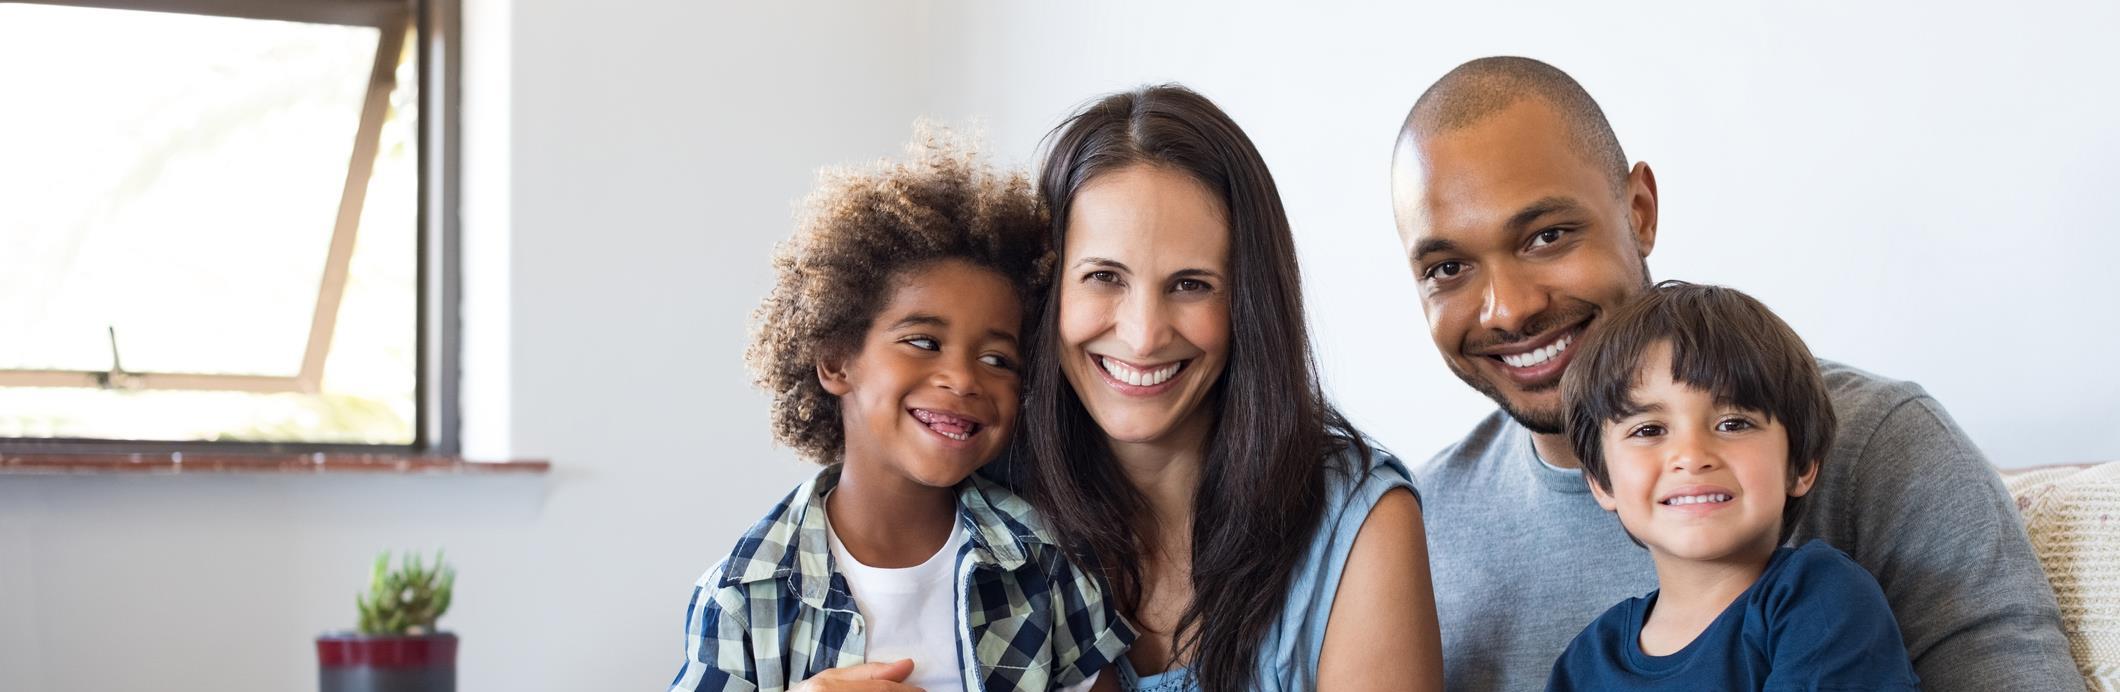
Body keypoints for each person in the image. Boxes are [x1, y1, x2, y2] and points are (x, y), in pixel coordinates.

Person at [1390, 55, 2077, 691]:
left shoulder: (1882, 448)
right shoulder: (1419, 532)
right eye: (1447, 269)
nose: (1508, 308)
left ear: (1639, 213)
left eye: (1548, 237)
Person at [1015, 84, 1444, 692]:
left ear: (1249, 302)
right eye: (1104, 277)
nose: (1142, 336)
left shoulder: (1359, 523)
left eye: (1191, 285)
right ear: (1048, 286)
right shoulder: (984, 501)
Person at [669, 130, 1131, 692]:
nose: (963, 379)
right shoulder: (743, 596)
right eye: (923, 342)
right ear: (838, 360)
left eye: (997, 358)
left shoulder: (1045, 562)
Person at [1545, 281, 1918, 690]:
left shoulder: (1819, 598)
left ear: (1800, 464)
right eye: (1649, 429)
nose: (1691, 455)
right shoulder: (1586, 660)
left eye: (1733, 424)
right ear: (1602, 482)